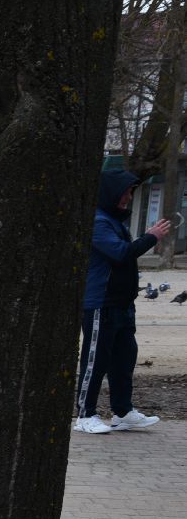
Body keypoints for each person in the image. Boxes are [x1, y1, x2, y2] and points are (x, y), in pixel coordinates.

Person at [76, 168, 172, 434]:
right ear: (112, 192)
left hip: (122, 304)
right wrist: (151, 237)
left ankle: (123, 412)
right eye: (127, 191)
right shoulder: (98, 222)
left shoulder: (115, 221)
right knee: (95, 360)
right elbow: (121, 254)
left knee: (124, 358)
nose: (129, 197)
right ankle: (85, 415)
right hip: (100, 303)